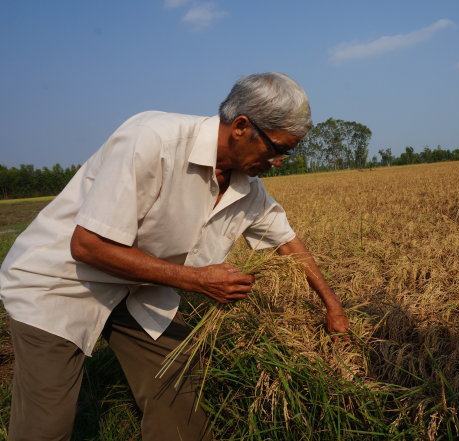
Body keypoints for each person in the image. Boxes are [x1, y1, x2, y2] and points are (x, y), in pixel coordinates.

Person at [0, 72, 350, 441]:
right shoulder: (153, 140)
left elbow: (289, 244)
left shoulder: (248, 189)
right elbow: (87, 246)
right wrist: (197, 280)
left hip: (135, 287)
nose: (279, 162)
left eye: (287, 152)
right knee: (46, 427)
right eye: (276, 149)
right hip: (60, 283)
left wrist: (333, 307)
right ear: (242, 127)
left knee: (183, 413)